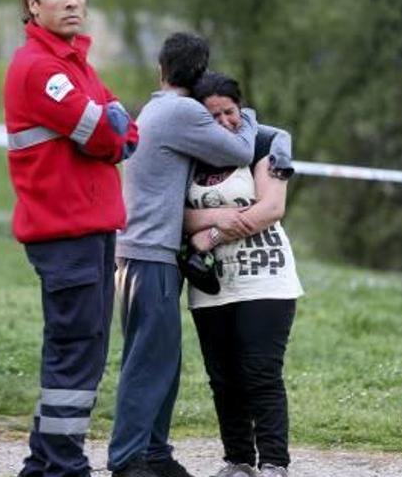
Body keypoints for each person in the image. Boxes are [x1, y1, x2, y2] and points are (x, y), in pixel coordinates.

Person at [3, 0, 138, 476]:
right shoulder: (40, 68)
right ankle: (64, 465)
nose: (73, 1)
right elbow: (109, 132)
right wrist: (111, 127)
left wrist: (112, 126)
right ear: (32, 5)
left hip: (91, 229)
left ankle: (44, 463)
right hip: (65, 233)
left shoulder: (75, 64)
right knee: (75, 354)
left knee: (80, 351)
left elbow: (129, 130)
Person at [109, 33, 258, 477]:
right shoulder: (183, 111)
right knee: (148, 362)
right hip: (149, 253)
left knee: (162, 361)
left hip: (142, 252)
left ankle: (155, 454)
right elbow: (241, 149)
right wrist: (246, 115)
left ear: (161, 69)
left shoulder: (157, 107)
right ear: (197, 76)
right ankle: (127, 459)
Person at [184, 72, 303, 477]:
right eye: (212, 115)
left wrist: (210, 232)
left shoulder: (264, 144)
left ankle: (274, 462)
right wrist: (225, 218)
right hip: (212, 285)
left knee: (260, 372)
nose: (223, 123)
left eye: (229, 112)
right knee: (223, 378)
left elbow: (270, 208)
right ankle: (238, 461)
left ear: (241, 108)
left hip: (265, 277)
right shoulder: (189, 154)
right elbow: (177, 216)